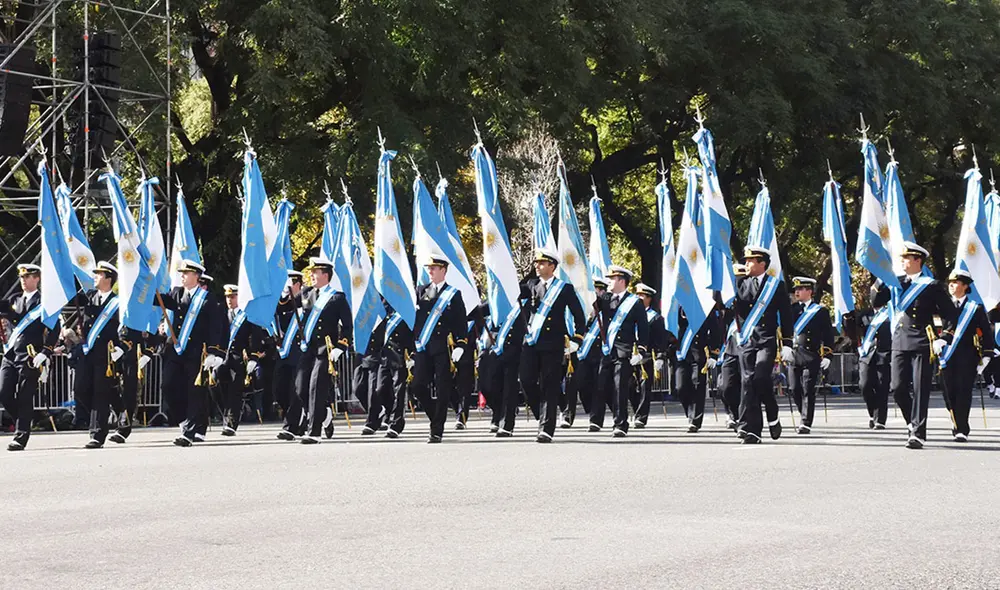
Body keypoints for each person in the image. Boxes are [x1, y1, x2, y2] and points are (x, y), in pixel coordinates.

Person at [871, 242, 955, 449]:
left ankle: (918, 433)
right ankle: (912, 422)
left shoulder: (931, 285)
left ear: (918, 260)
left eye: (906, 258)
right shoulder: (896, 283)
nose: (902, 262)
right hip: (899, 340)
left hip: (922, 342)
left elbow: (950, 314)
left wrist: (944, 337)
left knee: (920, 388)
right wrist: (881, 278)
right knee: (897, 388)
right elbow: (875, 301)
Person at [517, 248, 586, 442]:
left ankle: (546, 428)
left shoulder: (564, 289)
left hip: (553, 343)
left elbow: (579, 316)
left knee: (550, 385)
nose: (537, 266)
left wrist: (577, 339)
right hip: (531, 343)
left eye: (541, 263)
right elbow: (511, 292)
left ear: (552, 266)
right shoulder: (530, 285)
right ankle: (545, 414)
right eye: (536, 263)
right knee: (526, 381)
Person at [728, 246, 792, 445]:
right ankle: (752, 430)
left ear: (762, 263)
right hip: (747, 340)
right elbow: (725, 301)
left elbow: (786, 315)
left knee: (761, 377)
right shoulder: (739, 283)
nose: (746, 264)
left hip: (766, 340)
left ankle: (772, 410)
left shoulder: (776, 286)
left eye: (750, 261)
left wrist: (788, 342)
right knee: (748, 382)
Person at [158, 260, 226, 446]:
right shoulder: (176, 293)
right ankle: (183, 420)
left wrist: (214, 352)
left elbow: (216, 328)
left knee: (194, 392)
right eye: (181, 273)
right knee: (168, 386)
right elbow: (159, 300)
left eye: (186, 273)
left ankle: (189, 431)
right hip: (175, 351)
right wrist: (148, 280)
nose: (182, 275)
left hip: (196, 352)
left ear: (196, 276)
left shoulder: (208, 299)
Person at [286, 257, 353, 444]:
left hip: (326, 350)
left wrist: (341, 346)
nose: (312, 275)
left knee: (316, 388)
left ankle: (314, 431)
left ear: (326, 275)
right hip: (308, 349)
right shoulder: (307, 293)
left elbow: (348, 326)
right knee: (300, 388)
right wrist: (284, 291)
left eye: (315, 272)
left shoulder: (337, 298)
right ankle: (324, 415)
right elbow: (285, 307)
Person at [0, 264, 60, 451]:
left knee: (25, 396)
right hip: (10, 355)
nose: (23, 281)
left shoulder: (45, 302)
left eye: (28, 277)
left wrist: (46, 351)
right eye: (22, 277)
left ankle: (21, 435)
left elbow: (54, 329)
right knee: (3, 392)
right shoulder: (14, 299)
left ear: (37, 279)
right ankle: (23, 421)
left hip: (30, 356)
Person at [410, 254, 467, 443]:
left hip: (443, 347)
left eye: (434, 268)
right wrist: (412, 349)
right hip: (423, 348)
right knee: (417, 385)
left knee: (443, 389)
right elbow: (416, 322)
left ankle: (437, 430)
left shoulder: (453, 294)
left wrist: (461, 344)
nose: (430, 271)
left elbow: (460, 322)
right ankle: (436, 415)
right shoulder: (420, 291)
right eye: (429, 268)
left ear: (443, 270)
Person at [937, 269, 994, 442]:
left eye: (955, 283)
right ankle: (955, 420)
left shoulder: (974, 308)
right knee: (948, 393)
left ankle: (962, 428)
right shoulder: (943, 306)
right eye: (950, 283)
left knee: (963, 391)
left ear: (965, 286)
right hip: (945, 356)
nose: (951, 286)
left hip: (967, 356)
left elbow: (986, 332)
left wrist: (986, 355)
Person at [592, 265, 649, 437]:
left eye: (612, 279)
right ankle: (600, 418)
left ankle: (620, 424)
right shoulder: (605, 298)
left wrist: (640, 350)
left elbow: (643, 328)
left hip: (624, 351)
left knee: (620, 388)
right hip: (607, 350)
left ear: (621, 281)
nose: (608, 281)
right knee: (601, 386)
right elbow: (590, 301)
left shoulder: (634, 302)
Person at [72, 261, 123, 448]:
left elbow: (125, 327)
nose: (95, 277)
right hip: (86, 353)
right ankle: (117, 410)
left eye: (99, 274)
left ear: (108, 278)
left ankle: (97, 433)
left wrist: (122, 347)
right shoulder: (89, 297)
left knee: (100, 393)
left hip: (106, 355)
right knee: (80, 389)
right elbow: (71, 298)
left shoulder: (118, 302)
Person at [218, 284, 268, 436]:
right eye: (227, 297)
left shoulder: (247, 315)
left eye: (233, 297)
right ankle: (225, 413)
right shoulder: (221, 313)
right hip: (221, 356)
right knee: (216, 384)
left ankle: (231, 423)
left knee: (235, 390)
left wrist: (253, 357)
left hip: (239, 357)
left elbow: (255, 336)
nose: (229, 300)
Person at [787, 276, 834, 434]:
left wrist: (828, 355)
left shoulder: (820, 311)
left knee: (808, 388)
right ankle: (803, 414)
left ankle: (806, 422)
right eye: (796, 289)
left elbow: (827, 335)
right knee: (794, 388)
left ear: (809, 291)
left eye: (800, 289)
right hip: (794, 354)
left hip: (811, 355)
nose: (797, 292)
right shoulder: (791, 310)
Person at [563, 276, 608, 429]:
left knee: (598, 387)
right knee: (577, 385)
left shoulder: (605, 310)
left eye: (598, 290)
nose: (595, 293)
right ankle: (568, 415)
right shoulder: (582, 310)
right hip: (580, 354)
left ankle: (595, 420)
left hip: (598, 354)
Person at [674, 307, 721, 433]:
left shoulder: (705, 306)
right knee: (680, 387)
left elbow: (715, 330)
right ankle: (690, 412)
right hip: (682, 353)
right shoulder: (676, 307)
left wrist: (714, 353)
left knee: (697, 386)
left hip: (699, 352)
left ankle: (695, 420)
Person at [631, 283, 669, 429]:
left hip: (647, 356)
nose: (639, 298)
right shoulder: (632, 313)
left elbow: (661, 340)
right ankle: (636, 410)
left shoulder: (655, 318)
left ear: (649, 299)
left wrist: (660, 357)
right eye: (637, 295)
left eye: (642, 295)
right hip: (631, 354)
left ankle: (641, 417)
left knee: (644, 387)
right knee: (629, 386)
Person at [274, 270, 306, 440]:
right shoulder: (282, 301)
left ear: (298, 284)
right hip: (283, 352)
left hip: (301, 351)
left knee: (296, 390)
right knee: (279, 390)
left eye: (290, 284)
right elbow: (280, 308)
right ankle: (303, 415)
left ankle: (291, 426)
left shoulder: (308, 297)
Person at [718, 263, 747, 431]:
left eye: (741, 279)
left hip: (747, 348)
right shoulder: (726, 304)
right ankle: (734, 413)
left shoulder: (750, 301)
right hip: (729, 349)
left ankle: (742, 417)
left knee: (746, 385)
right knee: (726, 386)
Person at [379, 303, 414, 438]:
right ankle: (387, 414)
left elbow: (412, 333)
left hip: (400, 355)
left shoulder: (406, 308)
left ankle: (396, 424)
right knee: (380, 389)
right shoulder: (383, 307)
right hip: (385, 355)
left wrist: (412, 355)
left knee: (399, 391)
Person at [857, 302, 891, 430]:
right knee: (864, 385)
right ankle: (872, 413)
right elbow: (852, 329)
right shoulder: (865, 314)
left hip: (885, 354)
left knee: (882, 387)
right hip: (867, 355)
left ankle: (880, 420)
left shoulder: (891, 313)